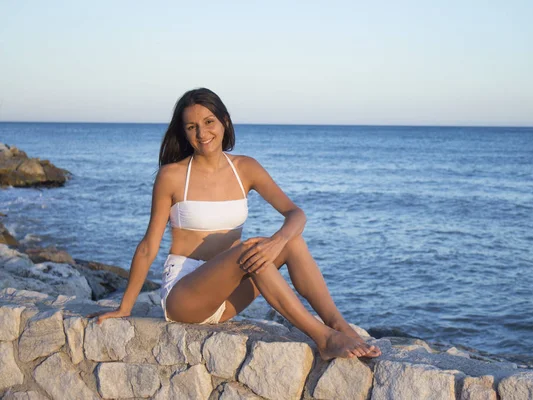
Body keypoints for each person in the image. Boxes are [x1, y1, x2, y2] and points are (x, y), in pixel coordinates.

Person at [90, 88, 381, 360]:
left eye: (209, 121)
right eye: (192, 127)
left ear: (225, 122)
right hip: (186, 296)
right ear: (184, 132)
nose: (202, 133)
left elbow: (296, 213)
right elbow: (148, 245)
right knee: (248, 250)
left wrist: (278, 241)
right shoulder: (172, 176)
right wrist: (125, 307)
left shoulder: (245, 168)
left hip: (228, 296)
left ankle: (338, 325)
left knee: (291, 241)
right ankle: (324, 339)